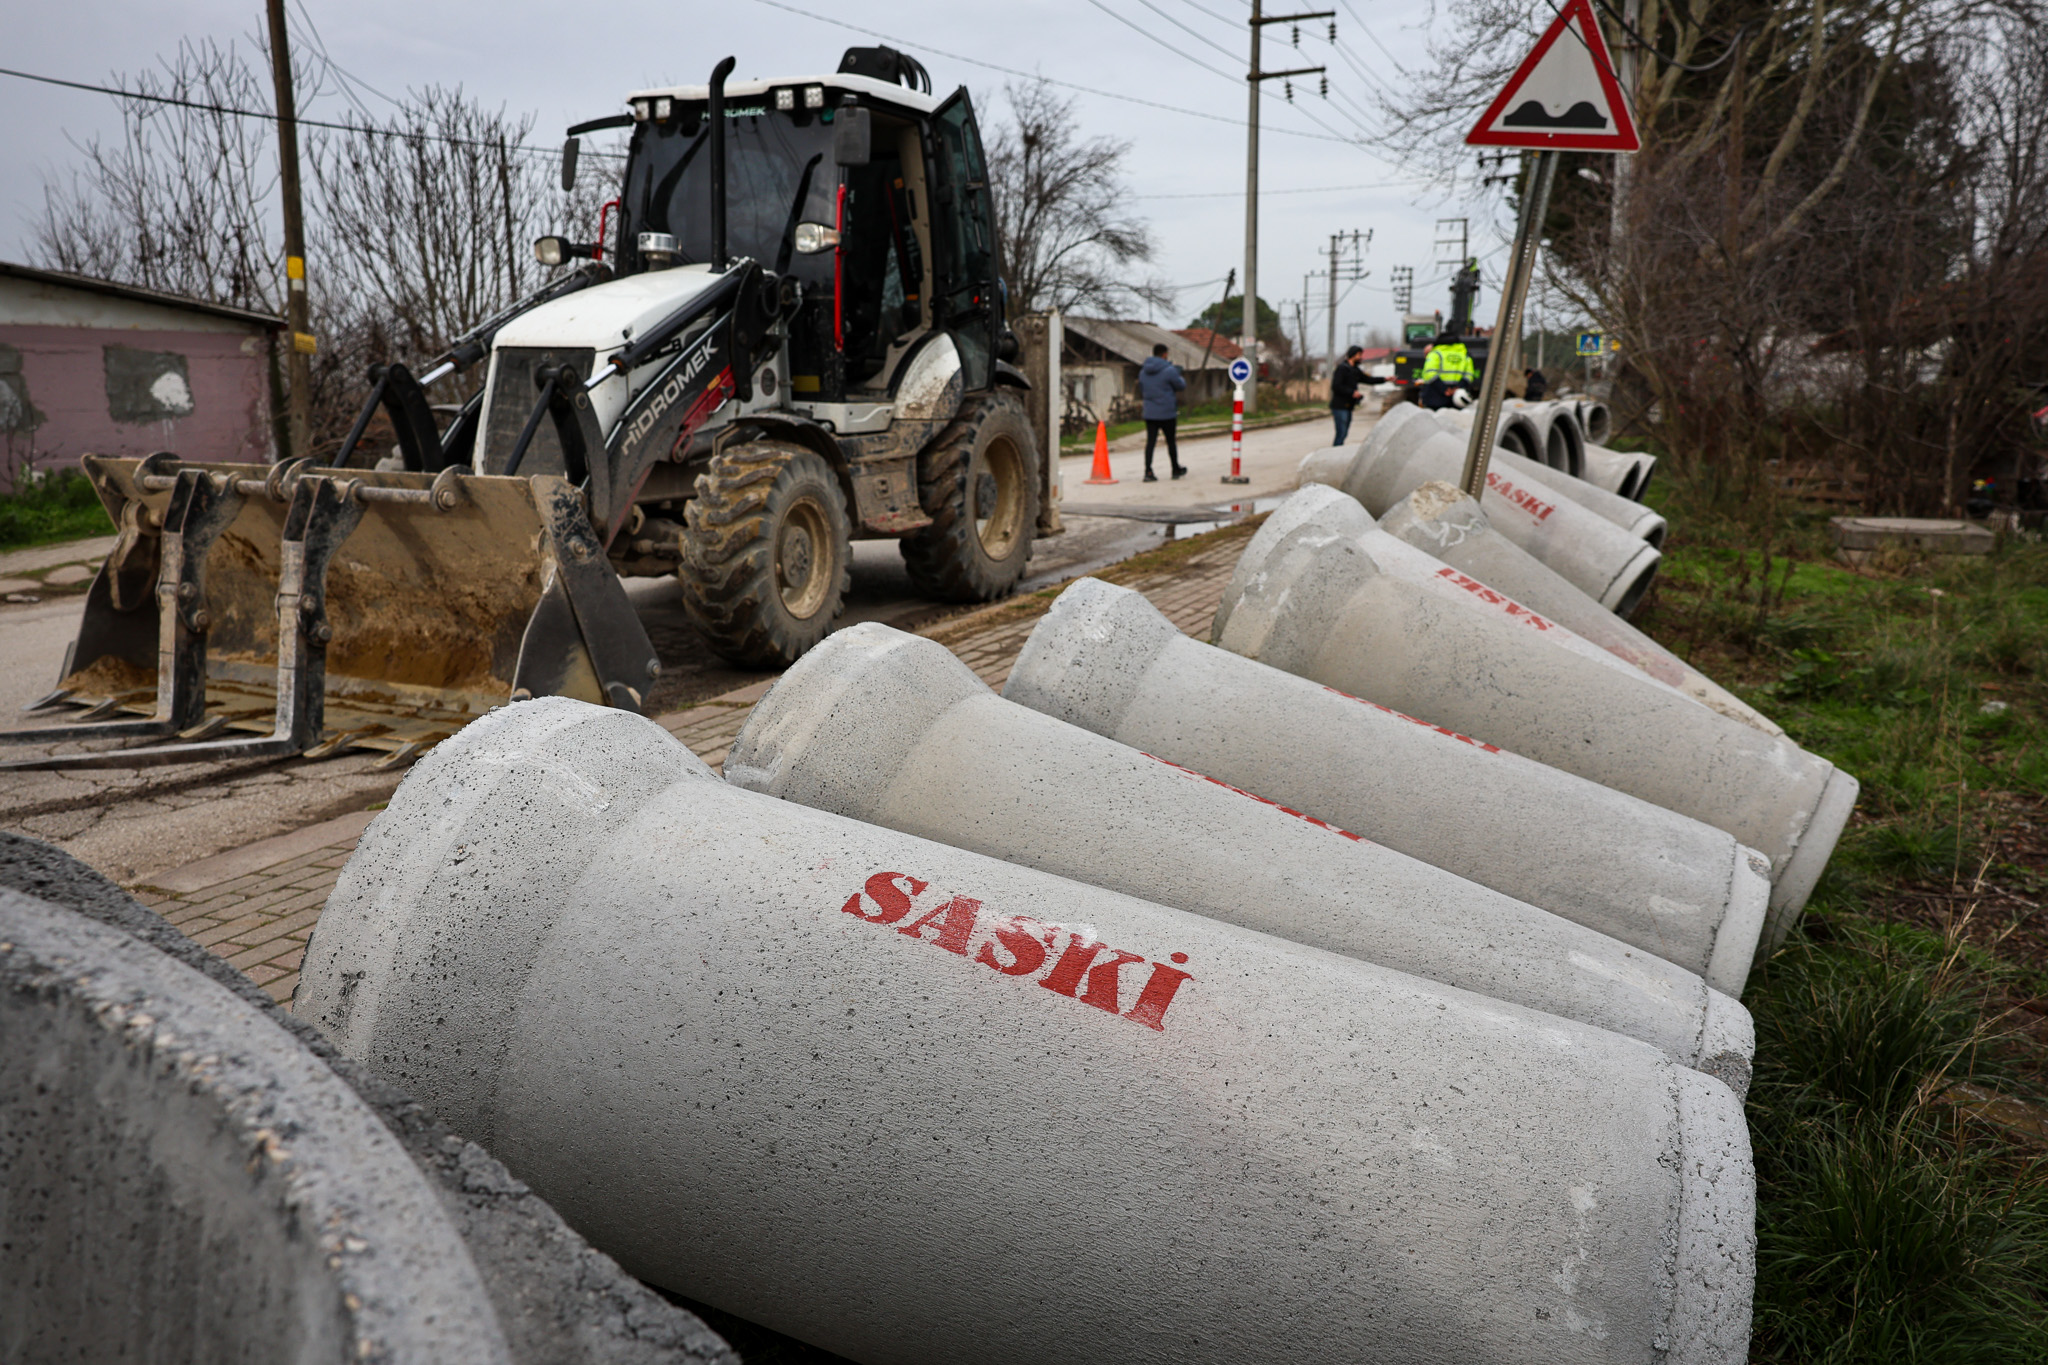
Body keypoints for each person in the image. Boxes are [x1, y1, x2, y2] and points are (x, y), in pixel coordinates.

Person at [1137, 342, 1187, 481]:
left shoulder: (1143, 372)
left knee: (1150, 442)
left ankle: (1148, 471)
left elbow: (1141, 388)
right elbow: (1181, 385)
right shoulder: (1169, 370)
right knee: (1171, 441)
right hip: (1167, 412)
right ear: (1164, 354)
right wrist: (1179, 375)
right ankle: (1175, 469)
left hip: (1150, 412)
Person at [1329, 344, 1387, 445]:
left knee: (1344, 432)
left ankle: (1338, 449)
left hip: (1348, 406)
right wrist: (1352, 392)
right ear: (1353, 355)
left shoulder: (1355, 370)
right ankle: (1335, 452)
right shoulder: (1342, 369)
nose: (1361, 357)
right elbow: (1336, 386)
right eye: (1359, 355)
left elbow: (1368, 379)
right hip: (1339, 406)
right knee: (1341, 433)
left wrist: (1385, 379)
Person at [1417, 329, 1477, 411]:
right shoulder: (1464, 355)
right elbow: (1469, 375)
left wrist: (1445, 389)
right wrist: (1457, 388)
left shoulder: (1436, 354)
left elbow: (1430, 373)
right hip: (1456, 399)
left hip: (1435, 397)